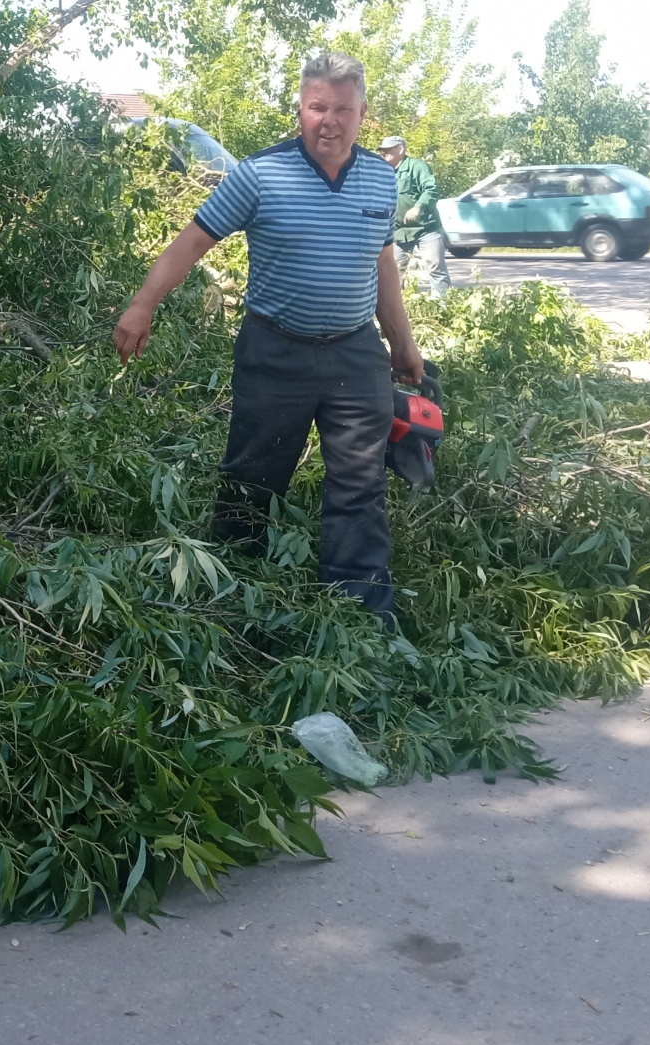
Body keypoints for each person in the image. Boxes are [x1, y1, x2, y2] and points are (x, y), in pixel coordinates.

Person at [112, 51, 425, 620]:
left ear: (362, 114)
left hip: (356, 354)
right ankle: (232, 598)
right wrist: (141, 305)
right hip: (274, 348)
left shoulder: (381, 178)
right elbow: (192, 242)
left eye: (343, 109)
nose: (329, 120)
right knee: (253, 475)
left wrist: (400, 341)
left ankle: (360, 616)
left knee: (359, 484)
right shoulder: (261, 173)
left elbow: (382, 265)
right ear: (300, 107)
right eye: (316, 107)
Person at [378, 136, 451, 300]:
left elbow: (431, 190)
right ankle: (400, 310)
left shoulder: (417, 167)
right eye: (383, 151)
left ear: (401, 149)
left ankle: (444, 307)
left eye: (388, 151)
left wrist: (418, 207)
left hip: (426, 229)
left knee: (435, 266)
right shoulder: (383, 171)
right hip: (398, 232)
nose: (384, 154)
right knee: (394, 273)